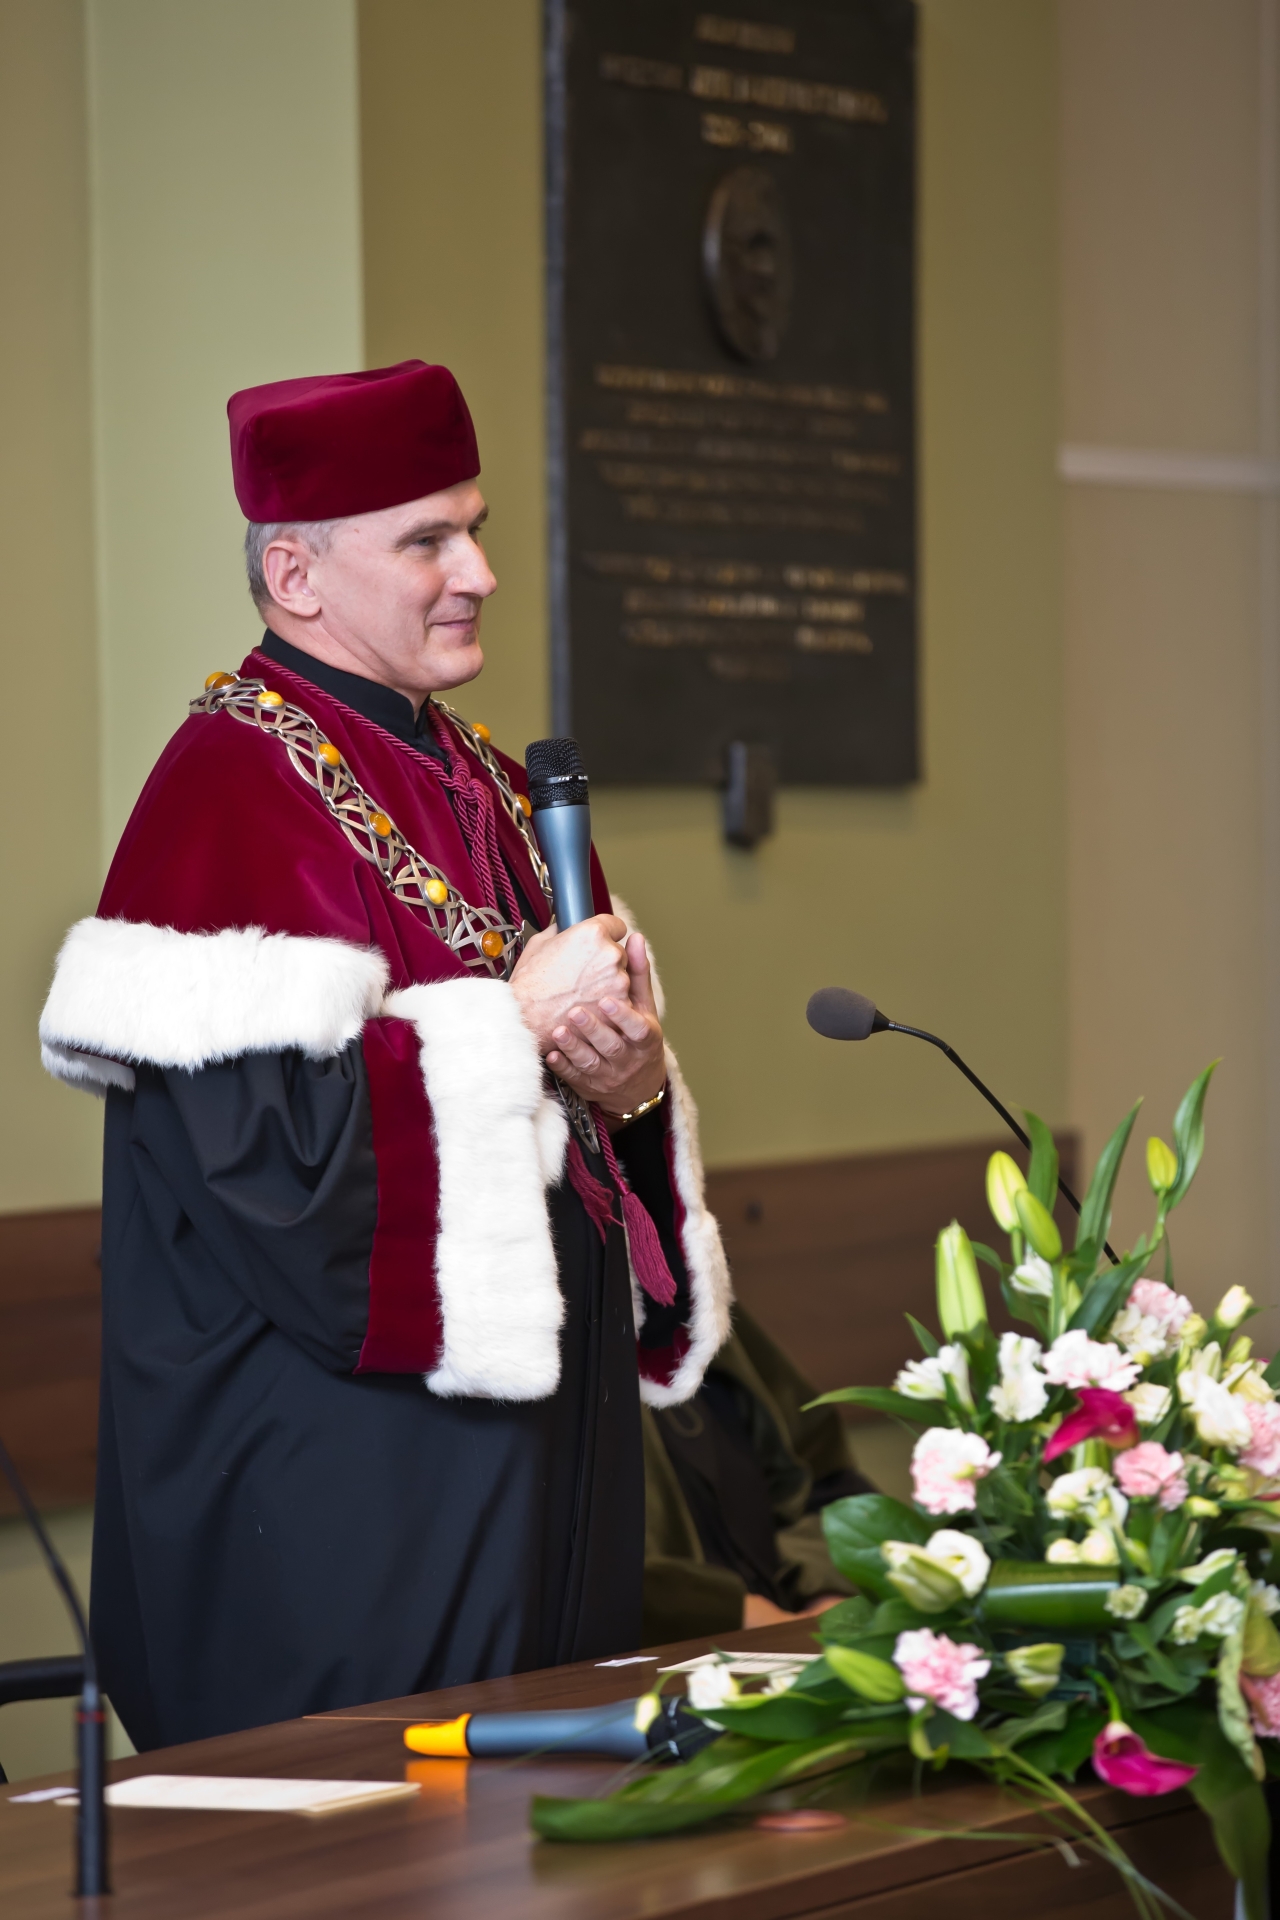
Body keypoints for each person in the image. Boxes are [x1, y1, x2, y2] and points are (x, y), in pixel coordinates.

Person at [39, 359, 731, 1750]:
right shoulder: (228, 792)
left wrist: (628, 1084)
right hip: (339, 1512)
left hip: (541, 1487)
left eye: (474, 529)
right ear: (293, 573)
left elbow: (575, 1112)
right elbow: (282, 1177)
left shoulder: (485, 782)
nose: (479, 572)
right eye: (428, 541)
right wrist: (517, 1026)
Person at [642, 1306, 870, 1643]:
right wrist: (733, 1613)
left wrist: (827, 1591)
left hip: (796, 1627)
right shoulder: (557, 1347)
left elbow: (821, 1473)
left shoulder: (696, 1297)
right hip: (666, 1655)